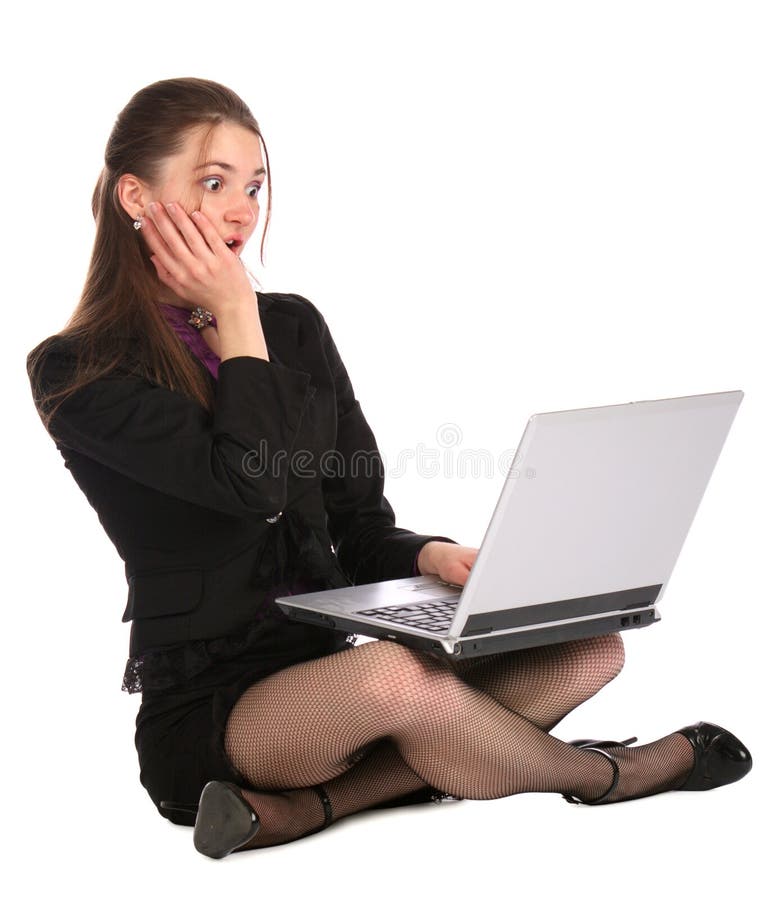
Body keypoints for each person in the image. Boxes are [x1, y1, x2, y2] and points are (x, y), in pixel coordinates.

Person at [27, 77, 752, 860]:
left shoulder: (293, 327)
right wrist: (236, 314)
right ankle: (607, 774)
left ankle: (313, 807)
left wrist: (431, 557)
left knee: (592, 649)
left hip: (334, 673)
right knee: (398, 682)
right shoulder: (77, 371)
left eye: (255, 185)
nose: (244, 210)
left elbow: (358, 523)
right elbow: (252, 484)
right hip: (216, 712)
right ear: (135, 197)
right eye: (213, 183)